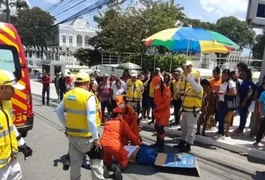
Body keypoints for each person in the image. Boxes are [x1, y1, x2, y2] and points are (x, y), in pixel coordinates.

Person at [56, 72, 104, 180]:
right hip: (89, 139)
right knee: (96, 165)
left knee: (75, 166)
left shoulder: (68, 95)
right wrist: (96, 138)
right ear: (87, 84)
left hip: (73, 137)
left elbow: (59, 111)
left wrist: (67, 127)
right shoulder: (88, 96)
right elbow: (91, 120)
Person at [0, 69, 33, 180]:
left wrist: (22, 144)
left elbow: (10, 126)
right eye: (11, 88)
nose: (14, 92)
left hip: (11, 160)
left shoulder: (6, 104)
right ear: (2, 88)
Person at [100, 107, 142, 180]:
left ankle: (105, 166)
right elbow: (131, 135)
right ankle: (118, 167)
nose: (122, 116)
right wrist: (139, 142)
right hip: (114, 145)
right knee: (124, 159)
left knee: (107, 160)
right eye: (121, 114)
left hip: (103, 144)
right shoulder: (122, 122)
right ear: (119, 114)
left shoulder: (107, 122)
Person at [174, 61, 203, 152]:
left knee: (191, 129)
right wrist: (181, 109)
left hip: (193, 112)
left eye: (195, 80)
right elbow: (185, 100)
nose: (194, 81)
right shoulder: (188, 89)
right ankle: (182, 142)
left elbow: (193, 84)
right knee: (184, 128)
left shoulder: (198, 88)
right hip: (185, 110)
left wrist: (187, 75)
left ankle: (188, 145)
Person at [150, 76, 171, 152]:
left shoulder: (166, 90)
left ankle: (161, 146)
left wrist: (158, 108)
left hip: (164, 113)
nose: (155, 87)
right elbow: (155, 100)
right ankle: (158, 143)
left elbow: (166, 103)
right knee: (157, 128)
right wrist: (154, 108)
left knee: (160, 129)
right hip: (157, 112)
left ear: (160, 82)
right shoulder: (156, 90)